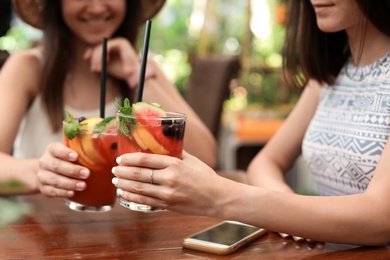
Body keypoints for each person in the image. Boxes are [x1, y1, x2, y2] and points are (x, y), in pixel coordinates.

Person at [103, 0, 390, 246]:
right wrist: (294, 215)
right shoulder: (330, 74)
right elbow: (265, 162)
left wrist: (220, 196)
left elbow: (380, 218)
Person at [0, 0, 216, 195]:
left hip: (126, 229)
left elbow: (206, 158)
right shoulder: (28, 68)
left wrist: (136, 76)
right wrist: (41, 171)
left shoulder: (144, 70)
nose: (96, 7)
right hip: (41, 229)